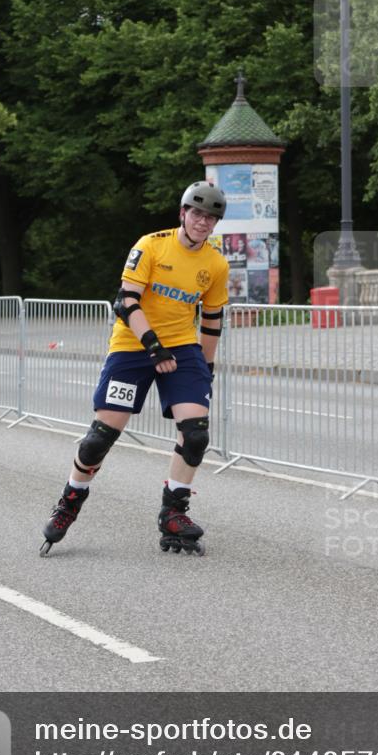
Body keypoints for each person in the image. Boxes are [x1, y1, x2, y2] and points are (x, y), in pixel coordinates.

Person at [40, 181, 230, 557]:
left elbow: (211, 319)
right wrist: (153, 348)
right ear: (182, 214)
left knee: (195, 435)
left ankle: (173, 513)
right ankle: (69, 502)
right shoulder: (151, 245)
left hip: (183, 346)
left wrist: (206, 367)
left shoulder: (215, 264)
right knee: (100, 438)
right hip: (133, 345)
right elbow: (125, 302)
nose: (202, 222)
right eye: (196, 214)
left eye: (210, 218)